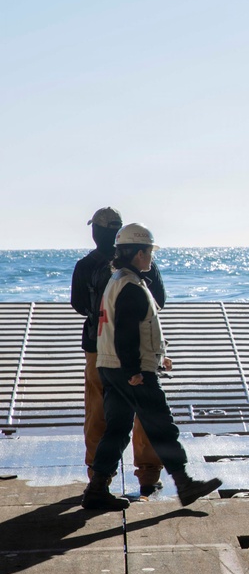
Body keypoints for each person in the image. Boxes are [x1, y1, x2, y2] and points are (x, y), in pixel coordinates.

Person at [83, 224, 221, 510]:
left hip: (111, 365)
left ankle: (96, 489)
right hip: (131, 371)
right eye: (148, 253)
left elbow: (133, 329)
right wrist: (136, 370)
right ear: (137, 253)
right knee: (161, 425)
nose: (151, 258)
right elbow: (126, 333)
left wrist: (158, 357)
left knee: (118, 428)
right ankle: (184, 482)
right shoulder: (131, 286)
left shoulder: (118, 279)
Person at [70, 207, 165, 497]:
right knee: (145, 413)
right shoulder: (139, 262)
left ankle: (98, 477)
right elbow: (159, 299)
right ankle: (148, 476)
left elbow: (77, 304)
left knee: (100, 414)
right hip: (137, 349)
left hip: (98, 349)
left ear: (96, 232)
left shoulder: (86, 265)